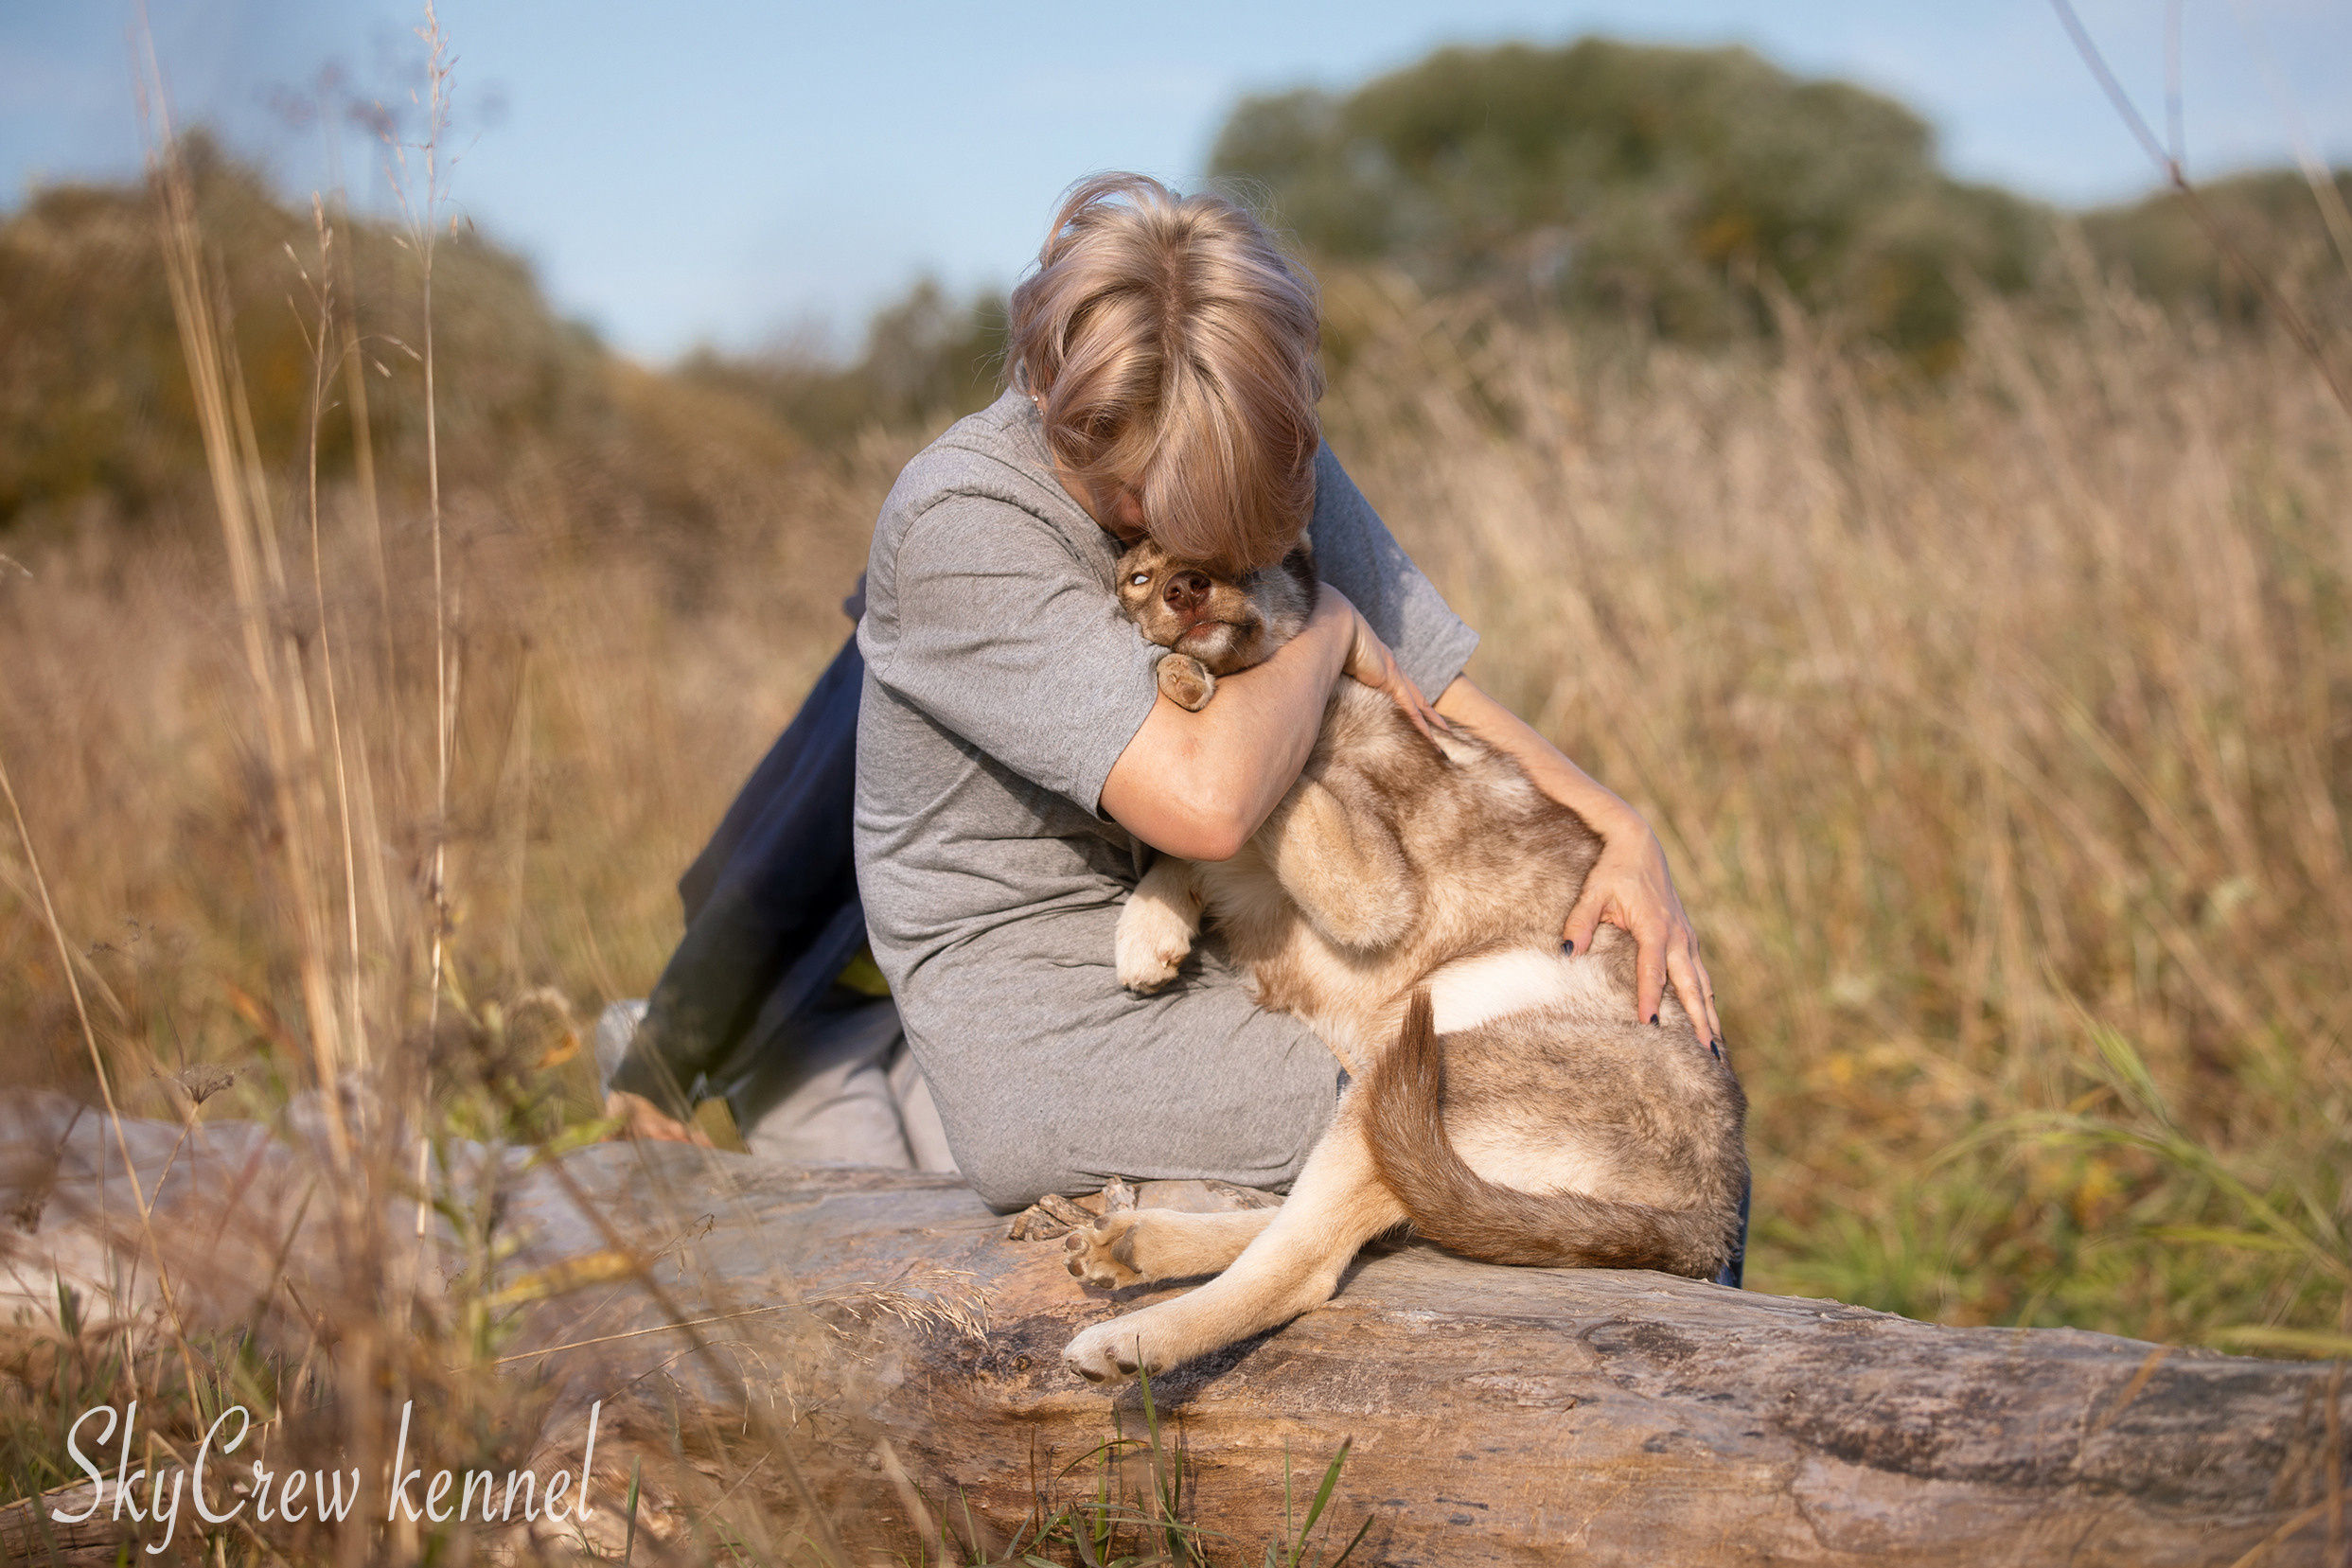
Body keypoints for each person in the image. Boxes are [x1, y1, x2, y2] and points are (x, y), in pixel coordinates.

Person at [608, 173, 1735, 1278]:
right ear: (1073, 415)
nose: (1217, 535)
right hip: (1070, 1027)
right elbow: (1205, 801)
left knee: (1663, 1095)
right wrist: (1327, 620)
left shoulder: (1238, 427)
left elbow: (1427, 678)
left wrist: (1617, 825)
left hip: (1225, 956)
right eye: (1168, 502)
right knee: (1580, 1134)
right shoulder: (963, 519)